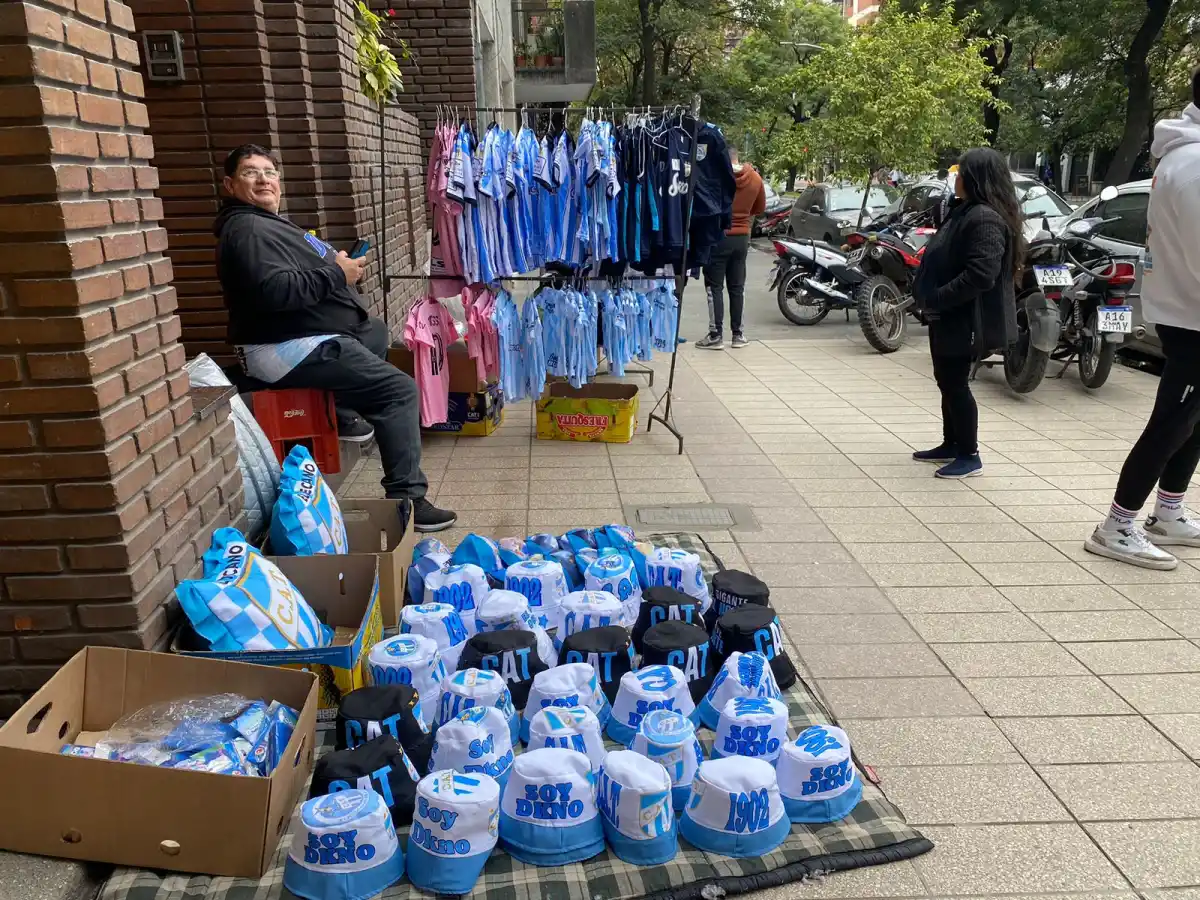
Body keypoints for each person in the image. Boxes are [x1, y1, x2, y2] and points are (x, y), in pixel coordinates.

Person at [214, 144, 456, 533]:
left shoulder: (264, 224)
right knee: (399, 391)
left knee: (374, 331)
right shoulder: (247, 229)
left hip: (307, 336)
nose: (263, 179)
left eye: (270, 172)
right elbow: (273, 292)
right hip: (288, 346)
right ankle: (407, 499)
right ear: (229, 184)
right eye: (250, 173)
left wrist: (332, 262)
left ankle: (343, 410)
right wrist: (336, 274)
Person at [1084, 69, 1200, 570]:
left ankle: (1168, 512)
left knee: (1192, 422)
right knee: (1171, 423)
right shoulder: (1194, 165)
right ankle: (1117, 524)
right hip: (1193, 316)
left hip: (1187, 309)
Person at [911, 148, 1021, 479]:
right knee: (946, 379)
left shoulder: (985, 218)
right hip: (945, 316)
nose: (955, 179)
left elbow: (980, 276)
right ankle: (951, 443)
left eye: (960, 174)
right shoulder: (965, 211)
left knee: (956, 383)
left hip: (964, 317)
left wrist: (937, 299)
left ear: (976, 179)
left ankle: (969, 454)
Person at [696, 147, 765, 350]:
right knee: (737, 287)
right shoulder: (755, 178)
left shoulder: (714, 176)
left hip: (718, 235)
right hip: (742, 237)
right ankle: (738, 335)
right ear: (737, 157)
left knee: (714, 287)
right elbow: (759, 208)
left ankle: (716, 335)